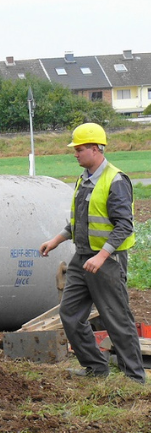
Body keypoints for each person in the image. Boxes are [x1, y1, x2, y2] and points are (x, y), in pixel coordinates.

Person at [39, 123, 145, 383]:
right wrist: (57, 239)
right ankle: (96, 368)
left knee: (116, 318)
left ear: (96, 149)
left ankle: (134, 377)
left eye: (80, 149)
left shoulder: (116, 180)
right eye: (75, 149)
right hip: (82, 258)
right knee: (70, 314)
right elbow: (81, 221)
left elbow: (124, 225)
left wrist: (102, 255)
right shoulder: (84, 179)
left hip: (107, 261)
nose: (75, 153)